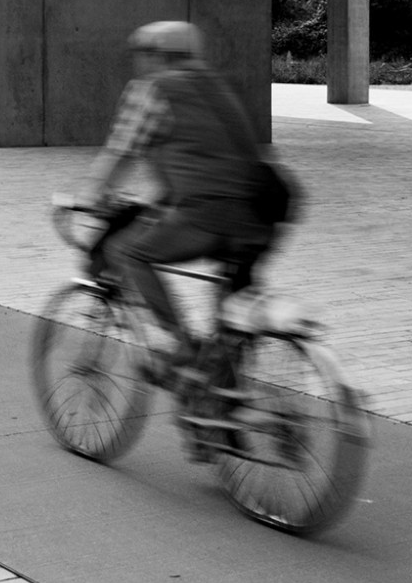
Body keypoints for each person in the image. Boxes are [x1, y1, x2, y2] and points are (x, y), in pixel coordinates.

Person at [76, 20, 272, 381]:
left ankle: (184, 345)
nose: (138, 64)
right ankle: (228, 396)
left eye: (141, 55)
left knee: (130, 252)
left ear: (156, 55)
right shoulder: (218, 86)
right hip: (262, 213)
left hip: (209, 213)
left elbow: (120, 153)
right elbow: (206, 156)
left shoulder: (154, 89)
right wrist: (160, 202)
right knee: (228, 310)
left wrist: (90, 196)